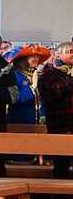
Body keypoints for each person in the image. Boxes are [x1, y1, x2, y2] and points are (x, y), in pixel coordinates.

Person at [39, 42, 73, 178]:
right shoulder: (50, 73)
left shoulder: (68, 74)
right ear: (58, 54)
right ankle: (59, 197)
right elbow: (56, 95)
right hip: (61, 125)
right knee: (62, 164)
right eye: (70, 51)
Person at [7, 45, 50, 126]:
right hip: (20, 122)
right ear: (22, 59)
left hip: (40, 121)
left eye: (37, 57)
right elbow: (14, 99)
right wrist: (32, 87)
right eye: (33, 57)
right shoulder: (13, 75)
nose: (37, 59)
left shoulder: (38, 74)